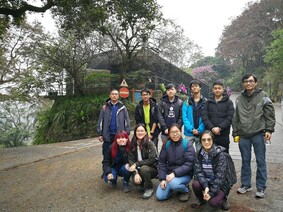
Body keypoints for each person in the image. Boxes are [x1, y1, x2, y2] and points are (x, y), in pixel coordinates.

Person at [232, 73, 275, 198]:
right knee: (245, 160)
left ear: (256, 83)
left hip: (258, 133)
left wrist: (269, 130)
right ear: (243, 83)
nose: (248, 83)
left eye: (251, 81)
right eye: (246, 81)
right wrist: (235, 132)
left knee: (260, 161)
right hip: (243, 134)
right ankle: (246, 184)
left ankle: (261, 187)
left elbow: (269, 114)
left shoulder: (263, 96)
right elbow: (236, 117)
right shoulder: (239, 98)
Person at [191, 130, 232, 211]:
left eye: (209, 139)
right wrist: (206, 186)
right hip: (207, 181)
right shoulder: (198, 154)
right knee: (195, 184)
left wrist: (211, 193)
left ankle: (224, 199)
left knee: (213, 203)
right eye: (203, 140)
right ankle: (201, 200)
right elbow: (199, 172)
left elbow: (220, 178)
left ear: (213, 140)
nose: (206, 142)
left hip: (220, 184)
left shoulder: (220, 155)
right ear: (200, 141)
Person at [156, 124, 195, 202]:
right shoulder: (166, 144)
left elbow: (189, 164)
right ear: (169, 134)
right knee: (160, 196)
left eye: (177, 131)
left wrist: (174, 174)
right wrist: (163, 179)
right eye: (172, 132)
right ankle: (173, 188)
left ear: (180, 131)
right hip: (169, 175)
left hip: (185, 174)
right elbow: (162, 162)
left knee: (173, 183)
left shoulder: (187, 144)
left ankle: (186, 190)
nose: (175, 134)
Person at [202, 80, 234, 153]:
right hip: (210, 134)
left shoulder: (228, 102)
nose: (217, 90)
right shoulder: (208, 102)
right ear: (213, 90)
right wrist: (212, 128)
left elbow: (230, 117)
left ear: (223, 89)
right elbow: (204, 116)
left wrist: (219, 128)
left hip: (223, 134)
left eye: (219, 88)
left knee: (224, 155)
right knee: (210, 154)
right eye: (215, 88)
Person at [127, 124, 158, 199]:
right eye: (138, 131)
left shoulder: (150, 143)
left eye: (142, 131)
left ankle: (149, 188)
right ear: (135, 133)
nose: (140, 133)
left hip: (151, 169)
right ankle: (142, 183)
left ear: (145, 132)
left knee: (144, 168)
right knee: (136, 182)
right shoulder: (133, 143)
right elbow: (130, 159)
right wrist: (136, 173)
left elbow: (152, 160)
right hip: (138, 168)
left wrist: (136, 164)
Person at [97, 89, 131, 157]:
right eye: (112, 94)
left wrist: (127, 132)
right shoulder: (105, 107)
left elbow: (127, 120)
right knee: (107, 153)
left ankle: (118, 167)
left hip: (119, 135)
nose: (114, 96)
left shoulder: (122, 108)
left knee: (120, 153)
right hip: (108, 135)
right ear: (110, 96)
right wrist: (100, 133)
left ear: (118, 96)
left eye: (116, 94)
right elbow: (100, 120)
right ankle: (107, 166)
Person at [182, 79, 206, 153]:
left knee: (200, 153)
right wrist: (191, 129)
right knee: (186, 151)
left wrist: (199, 130)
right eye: (192, 86)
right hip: (189, 132)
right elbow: (184, 117)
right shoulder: (187, 102)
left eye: (196, 86)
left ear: (200, 88)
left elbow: (207, 117)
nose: (194, 87)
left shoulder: (205, 102)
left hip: (201, 133)